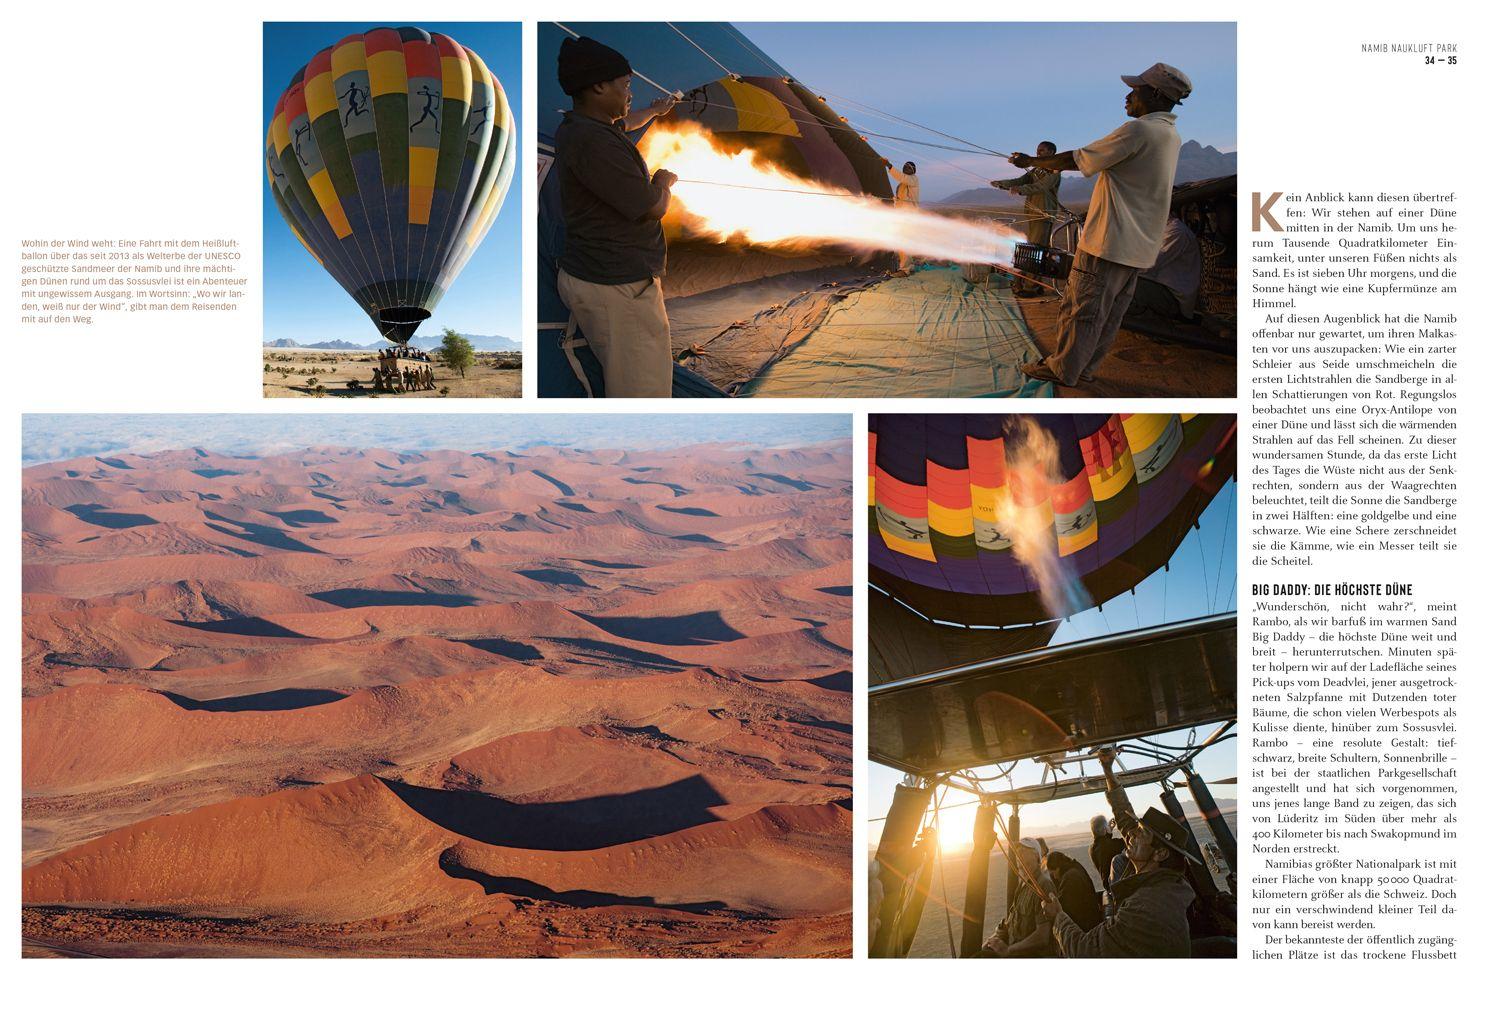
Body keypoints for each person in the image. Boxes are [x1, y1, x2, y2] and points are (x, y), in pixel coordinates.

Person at [1006, 63, 1192, 386]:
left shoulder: (1139, 131)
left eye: (1135, 90)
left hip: (1108, 242)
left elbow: (1076, 159)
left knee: (1081, 309)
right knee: (1107, 315)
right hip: (1137, 249)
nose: (1128, 96)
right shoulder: (1170, 136)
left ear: (1155, 94)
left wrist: (1031, 162)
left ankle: (1063, 369)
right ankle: (1084, 369)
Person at [554, 36, 680, 398]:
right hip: (619, 287)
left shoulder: (586, 127)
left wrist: (655, 113)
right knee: (643, 390)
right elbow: (653, 206)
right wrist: (663, 182)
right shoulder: (593, 141)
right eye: (625, 85)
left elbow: (625, 123)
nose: (630, 94)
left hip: (604, 277)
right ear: (598, 86)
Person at [1043, 747, 1199, 957]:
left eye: (1142, 833)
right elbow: (1125, 818)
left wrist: (1058, 918)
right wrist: (1108, 769)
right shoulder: (1161, 883)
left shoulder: (1145, 907)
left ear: (1161, 854)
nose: (1131, 834)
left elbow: (1085, 951)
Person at [979, 838, 1051, 957]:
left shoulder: (1043, 885)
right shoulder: (1023, 884)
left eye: (1024, 851)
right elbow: (1014, 919)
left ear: (1036, 857)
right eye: (1017, 851)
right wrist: (999, 935)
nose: (1018, 855)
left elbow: (1043, 936)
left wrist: (1009, 950)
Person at [1131, 215, 1202, 319]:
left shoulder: (1176, 232)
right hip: (1155, 285)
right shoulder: (1154, 227)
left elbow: (1148, 266)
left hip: (1173, 297)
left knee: (1124, 284)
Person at [1044, 851, 1104, 932]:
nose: (1054, 877)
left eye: (1053, 873)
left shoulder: (1070, 878)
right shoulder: (1075, 867)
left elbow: (1063, 908)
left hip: (1086, 926)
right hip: (1091, 919)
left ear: (1058, 868)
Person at [884, 160, 920, 273]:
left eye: (908, 167)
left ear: (913, 170)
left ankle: (906, 269)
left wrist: (889, 166)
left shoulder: (913, 179)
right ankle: (906, 266)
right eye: (904, 166)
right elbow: (901, 200)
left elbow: (901, 177)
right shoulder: (902, 185)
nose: (905, 168)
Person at [1089, 813, 1127, 896]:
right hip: (1116, 886)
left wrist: (1108, 832)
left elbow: (1104, 845)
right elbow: (1128, 840)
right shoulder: (1110, 845)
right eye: (1106, 826)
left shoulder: (1092, 848)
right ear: (1104, 829)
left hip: (1108, 885)